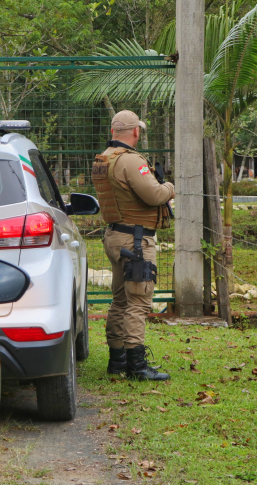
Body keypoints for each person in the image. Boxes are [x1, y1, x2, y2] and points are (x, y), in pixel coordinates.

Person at [91, 110, 175, 381]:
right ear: (136, 132)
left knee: (120, 301)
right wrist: (170, 187)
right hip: (136, 241)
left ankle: (117, 360)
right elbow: (154, 194)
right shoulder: (130, 161)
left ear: (114, 131)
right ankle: (137, 366)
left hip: (115, 236)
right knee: (139, 302)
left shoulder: (104, 158)